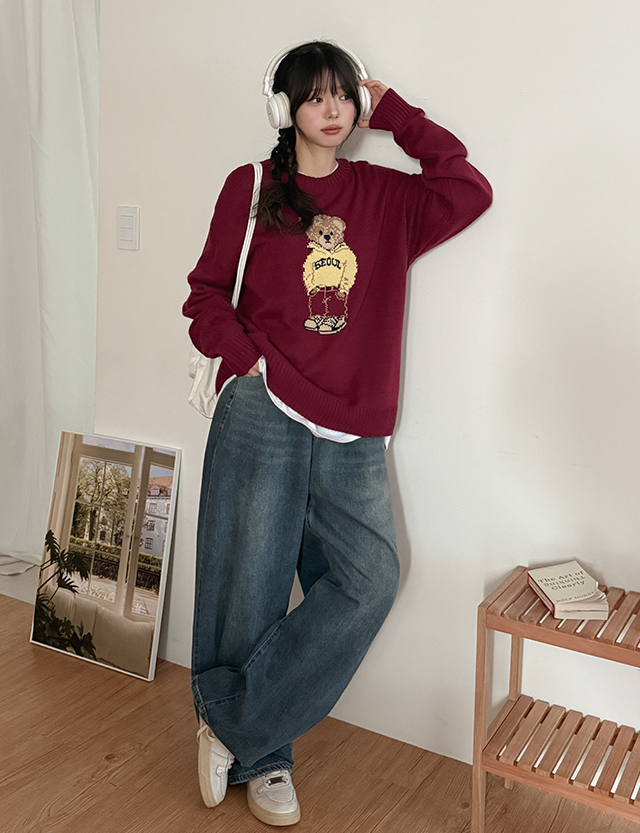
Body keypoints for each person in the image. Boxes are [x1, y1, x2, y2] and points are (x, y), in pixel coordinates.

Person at [183, 40, 492, 826]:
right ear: (284, 107)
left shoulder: (388, 197)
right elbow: (206, 294)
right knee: (251, 583)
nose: (333, 109)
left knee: (370, 578)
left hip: (355, 424)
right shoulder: (253, 187)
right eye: (315, 95)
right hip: (266, 405)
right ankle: (268, 757)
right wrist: (249, 362)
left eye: (344, 95)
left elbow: (468, 188)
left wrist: (398, 114)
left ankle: (236, 724)